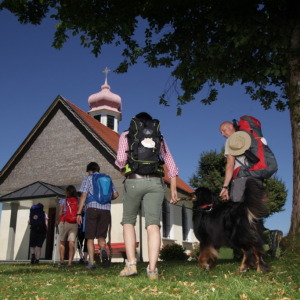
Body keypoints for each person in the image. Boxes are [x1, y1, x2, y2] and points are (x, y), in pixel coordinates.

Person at [115, 112, 178, 280]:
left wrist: (122, 167)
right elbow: (171, 164)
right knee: (153, 225)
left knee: (128, 221)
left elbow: (121, 159)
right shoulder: (159, 137)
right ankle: (152, 269)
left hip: (134, 181)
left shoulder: (127, 135)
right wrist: (173, 189)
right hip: (156, 183)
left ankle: (131, 265)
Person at [77, 162, 119, 270]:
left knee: (89, 237)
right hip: (105, 210)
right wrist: (107, 200)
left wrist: (78, 212)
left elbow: (83, 195)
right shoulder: (107, 178)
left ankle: (91, 262)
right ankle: (103, 249)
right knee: (101, 235)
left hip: (92, 208)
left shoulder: (88, 178)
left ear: (89, 170)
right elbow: (115, 195)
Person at [219, 121, 263, 202]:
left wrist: (225, 187)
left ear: (231, 127)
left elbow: (230, 165)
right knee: (254, 209)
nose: (222, 134)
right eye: (221, 132)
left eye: (224, 130)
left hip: (241, 177)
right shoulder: (250, 136)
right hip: (257, 177)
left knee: (239, 209)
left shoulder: (231, 140)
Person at [57, 185, 79, 268]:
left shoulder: (63, 201)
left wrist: (57, 221)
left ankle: (62, 262)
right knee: (71, 243)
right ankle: (69, 263)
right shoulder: (78, 200)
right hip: (74, 222)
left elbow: (60, 213)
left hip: (65, 221)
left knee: (62, 242)